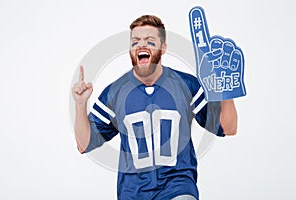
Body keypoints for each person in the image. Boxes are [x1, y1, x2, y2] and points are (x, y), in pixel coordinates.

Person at [72, 15, 237, 200]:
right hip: (132, 192)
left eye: (150, 41)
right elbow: (83, 144)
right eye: (135, 42)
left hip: (177, 186)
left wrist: (226, 91)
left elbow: (227, 128)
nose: (141, 46)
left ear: (163, 48)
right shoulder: (115, 92)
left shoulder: (186, 84)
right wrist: (80, 104)